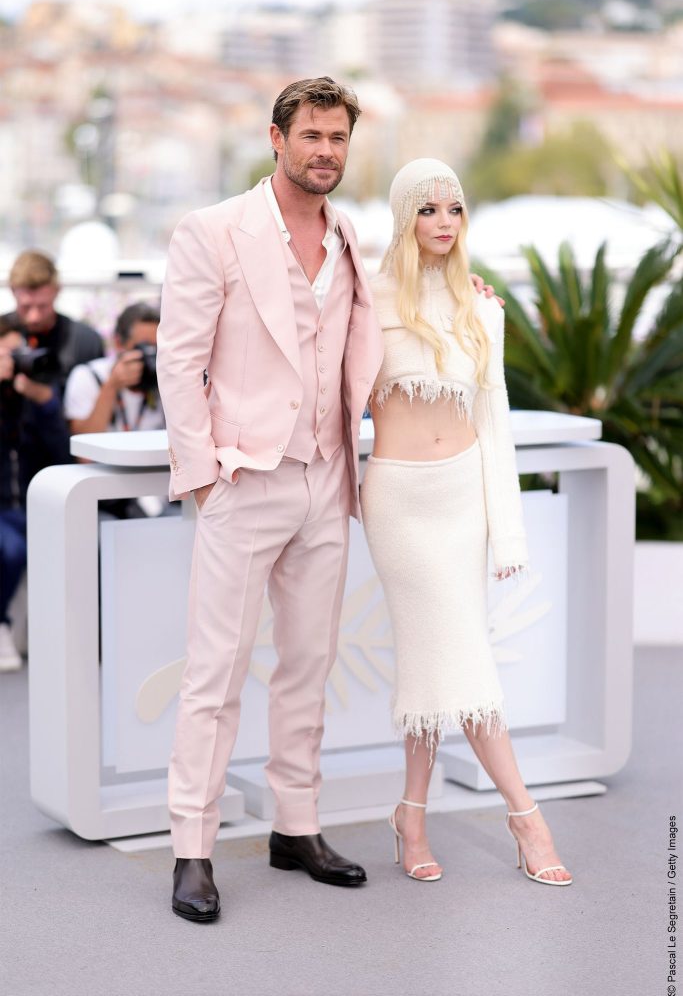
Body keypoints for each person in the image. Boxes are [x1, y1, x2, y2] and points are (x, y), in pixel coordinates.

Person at [157, 76, 384, 922]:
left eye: (338, 138)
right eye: (311, 135)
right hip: (243, 480)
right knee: (214, 674)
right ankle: (193, 848)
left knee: (307, 666)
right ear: (276, 138)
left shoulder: (351, 235)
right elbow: (178, 362)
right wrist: (206, 476)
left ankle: (296, 826)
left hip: (328, 479)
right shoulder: (212, 230)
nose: (325, 150)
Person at [361, 158, 572, 887]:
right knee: (461, 659)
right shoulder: (369, 295)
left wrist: (506, 532)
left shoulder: (483, 308)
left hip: (462, 504)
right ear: (403, 217)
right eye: (426, 209)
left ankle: (410, 815)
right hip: (396, 501)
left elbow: (495, 425)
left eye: (453, 209)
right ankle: (526, 819)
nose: (442, 223)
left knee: (435, 662)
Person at [0, 322, 71, 670]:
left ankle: (64, 632)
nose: (16, 363)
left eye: (20, 352)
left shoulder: (33, 396)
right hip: (3, 511)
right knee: (12, 549)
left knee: (73, 539)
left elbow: (62, 454)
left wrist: (44, 402)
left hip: (31, 505)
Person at [1, 250, 104, 392]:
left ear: (57, 291)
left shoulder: (85, 341)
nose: (34, 317)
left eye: (43, 306)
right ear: (13, 291)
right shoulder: (2, 332)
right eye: (26, 307)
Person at [64, 301, 164, 436]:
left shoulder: (164, 379)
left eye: (157, 348)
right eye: (144, 347)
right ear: (118, 343)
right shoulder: (88, 376)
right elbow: (84, 455)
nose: (151, 356)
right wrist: (111, 386)